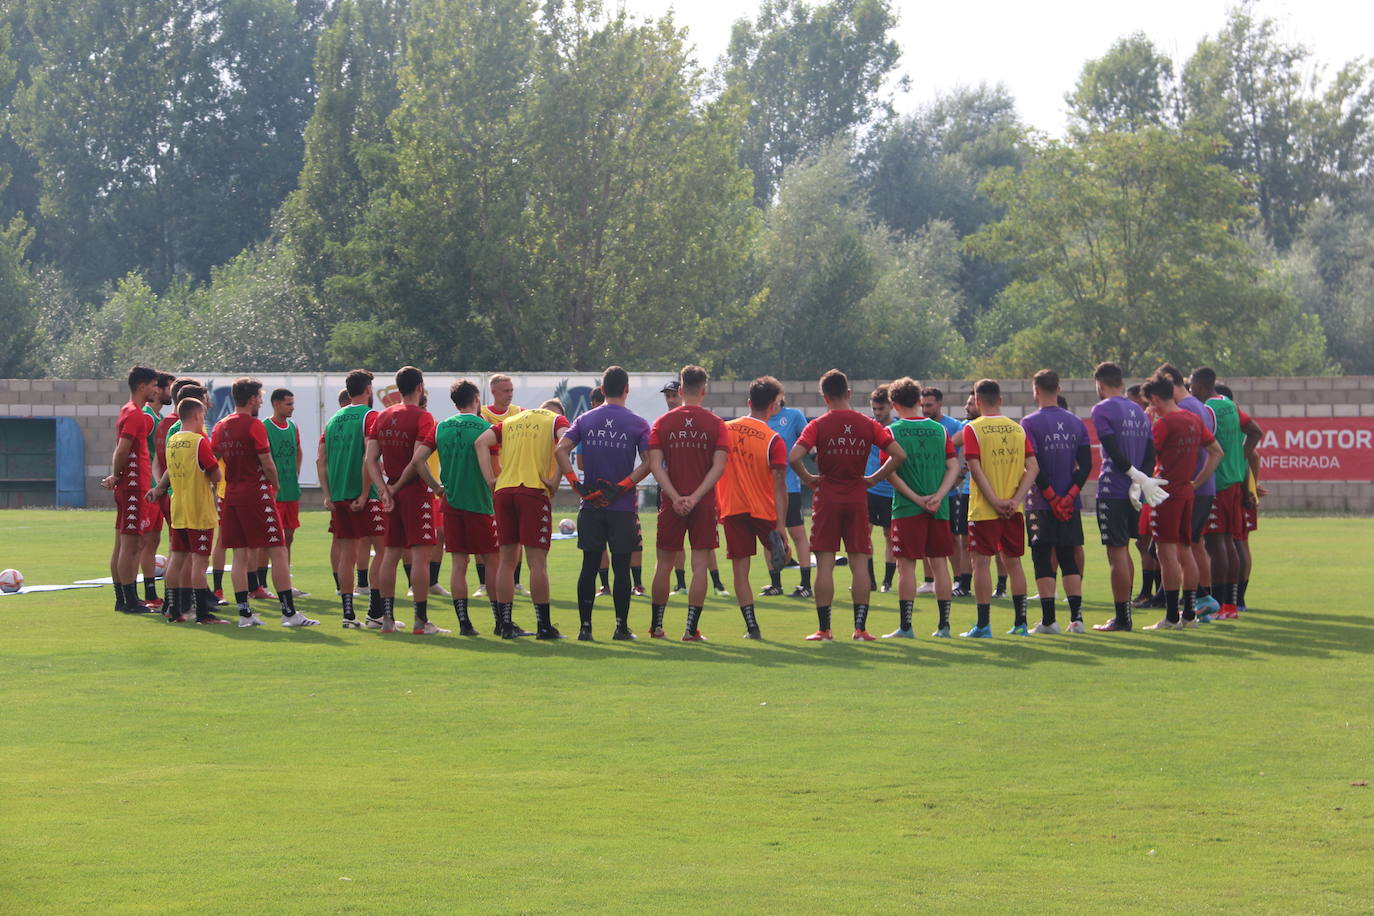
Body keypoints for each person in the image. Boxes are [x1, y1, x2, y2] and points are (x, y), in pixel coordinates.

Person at [789, 368, 905, 642]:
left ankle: (824, 629)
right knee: (859, 564)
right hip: (856, 496)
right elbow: (899, 454)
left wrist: (809, 479)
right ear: (849, 394)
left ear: (824, 397)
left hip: (827, 497)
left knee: (826, 564)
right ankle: (860, 629)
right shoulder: (868, 424)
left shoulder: (818, 425)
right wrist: (873, 479)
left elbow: (794, 455)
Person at [556, 366, 652, 640]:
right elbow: (648, 463)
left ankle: (585, 629)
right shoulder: (637, 422)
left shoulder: (586, 419)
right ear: (626, 389)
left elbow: (560, 449)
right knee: (621, 568)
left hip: (591, 506)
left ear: (602, 389)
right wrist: (622, 486)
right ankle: (621, 628)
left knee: (589, 565)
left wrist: (576, 485)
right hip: (622, 507)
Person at [211, 378, 313, 627]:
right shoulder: (254, 425)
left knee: (240, 555)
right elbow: (267, 462)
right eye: (259, 396)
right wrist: (275, 484)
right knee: (277, 549)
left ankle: (245, 614)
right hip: (256, 493)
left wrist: (217, 488)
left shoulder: (220, 425)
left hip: (232, 494)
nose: (261, 400)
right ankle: (289, 613)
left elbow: (213, 460)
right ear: (252, 399)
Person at [475, 398, 570, 639]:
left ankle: (505, 624)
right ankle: (544, 626)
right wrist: (557, 478)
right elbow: (566, 443)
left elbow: (480, 442)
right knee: (537, 563)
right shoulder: (555, 420)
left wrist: (489, 478)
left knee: (507, 562)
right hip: (533, 490)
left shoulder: (511, 421)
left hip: (504, 491)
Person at [410, 379, 498, 636]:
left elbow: (418, 460)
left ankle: (464, 623)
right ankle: (500, 620)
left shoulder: (441, 427)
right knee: (493, 562)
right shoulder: (486, 427)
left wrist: (436, 487)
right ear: (476, 398)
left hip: (451, 502)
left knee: (459, 563)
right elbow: (494, 468)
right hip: (480, 503)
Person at [647, 366, 729, 640]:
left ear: (680, 390)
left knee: (664, 564)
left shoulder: (663, 423)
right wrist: (694, 497)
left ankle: (657, 627)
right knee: (699, 564)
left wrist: (674, 496)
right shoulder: (715, 424)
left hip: (671, 503)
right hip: (703, 503)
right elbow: (718, 467)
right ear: (703, 390)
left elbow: (655, 466)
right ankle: (691, 629)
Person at [1139, 373, 1223, 631]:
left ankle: (1172, 616)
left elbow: (1149, 458)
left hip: (1165, 494)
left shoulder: (1163, 425)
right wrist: (1197, 482)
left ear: (1154, 398)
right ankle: (1188, 613)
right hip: (1188, 493)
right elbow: (1216, 452)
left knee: (1166, 554)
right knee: (1186, 550)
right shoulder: (1194, 419)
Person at [364, 366, 445, 634]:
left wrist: (384, 490)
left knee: (390, 555)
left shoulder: (383, 416)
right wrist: (434, 487)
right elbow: (417, 461)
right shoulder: (423, 417)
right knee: (420, 558)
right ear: (420, 386)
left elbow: (370, 459)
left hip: (391, 494)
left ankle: (387, 620)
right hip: (414, 492)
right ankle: (420, 621)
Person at [960, 379, 1037, 638]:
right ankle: (1021, 623)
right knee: (1014, 564)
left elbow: (975, 467)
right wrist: (1015, 499)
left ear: (978, 401)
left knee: (980, 564)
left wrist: (993, 500)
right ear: (1001, 401)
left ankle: (983, 625)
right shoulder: (1017, 429)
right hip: (1013, 510)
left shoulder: (974, 428)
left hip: (984, 510)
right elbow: (1033, 468)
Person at [884, 377, 959, 638]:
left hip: (907, 508)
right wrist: (938, 495)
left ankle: (906, 627)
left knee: (906, 566)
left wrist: (917, 499)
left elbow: (889, 473)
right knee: (940, 564)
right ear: (918, 401)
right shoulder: (940, 430)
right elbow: (954, 466)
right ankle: (944, 626)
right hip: (939, 508)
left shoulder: (892, 432)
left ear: (893, 404)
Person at [1020, 370, 1092, 634]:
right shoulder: (1076, 423)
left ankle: (1049, 621)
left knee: (1042, 558)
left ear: (1035, 390)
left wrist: (1050, 497)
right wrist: (1069, 497)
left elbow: (1033, 464)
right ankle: (1077, 619)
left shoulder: (1028, 423)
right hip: (1068, 506)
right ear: (1059, 389)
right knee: (1068, 558)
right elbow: (1086, 465)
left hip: (1041, 503)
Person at [1088, 362, 1158, 632]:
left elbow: (1112, 448)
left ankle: (1122, 617)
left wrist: (1131, 476)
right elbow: (1150, 453)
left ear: (1101, 384)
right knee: (1125, 550)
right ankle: (1124, 614)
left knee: (1116, 553)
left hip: (1114, 489)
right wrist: (1141, 481)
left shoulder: (1102, 409)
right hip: (1134, 493)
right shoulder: (1140, 412)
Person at [145, 397, 228, 624]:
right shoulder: (198, 441)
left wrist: (159, 489)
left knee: (177, 559)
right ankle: (203, 614)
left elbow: (169, 471)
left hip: (178, 508)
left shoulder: (174, 440)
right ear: (197, 416)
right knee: (200, 563)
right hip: (198, 510)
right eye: (204, 416)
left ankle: (172, 609)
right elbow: (216, 474)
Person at [718, 376, 789, 640]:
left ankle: (752, 626)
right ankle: (778, 553)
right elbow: (780, 484)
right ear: (773, 406)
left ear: (749, 402)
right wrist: (781, 526)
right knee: (781, 552)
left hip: (733, 508)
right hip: (764, 510)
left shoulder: (725, 429)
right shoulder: (774, 439)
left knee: (740, 572)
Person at [1191, 369, 1262, 621]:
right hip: (1235, 480)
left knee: (1215, 544)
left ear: (1199, 385)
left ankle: (1219, 603)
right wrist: (1239, 458)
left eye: (1191, 385)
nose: (1190, 390)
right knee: (1230, 542)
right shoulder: (1230, 405)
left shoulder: (1208, 409)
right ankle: (1230, 605)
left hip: (1217, 482)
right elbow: (1255, 431)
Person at [320, 369, 389, 628]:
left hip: (338, 496)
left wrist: (327, 495)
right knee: (384, 550)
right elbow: (368, 458)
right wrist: (364, 493)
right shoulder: (371, 416)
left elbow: (320, 459)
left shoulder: (334, 419)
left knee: (347, 554)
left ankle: (348, 615)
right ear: (368, 390)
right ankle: (375, 613)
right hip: (366, 496)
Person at [1158, 363, 1218, 617]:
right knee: (1194, 544)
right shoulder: (1197, 406)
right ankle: (1199, 599)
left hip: (1188, 487)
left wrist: (1195, 481)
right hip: (1198, 486)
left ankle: (1199, 599)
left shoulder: (1183, 410)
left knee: (1183, 547)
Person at [101, 366, 161, 615]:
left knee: (123, 544)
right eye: (153, 385)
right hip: (134, 487)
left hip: (133, 486)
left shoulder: (129, 411)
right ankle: (129, 600)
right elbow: (123, 449)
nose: (155, 390)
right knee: (132, 545)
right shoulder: (135, 414)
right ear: (141, 387)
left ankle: (122, 599)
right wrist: (117, 475)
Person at [1216, 383, 1263, 612]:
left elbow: (1253, 460)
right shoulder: (1235, 438)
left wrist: (1251, 489)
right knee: (1236, 543)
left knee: (1237, 543)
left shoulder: (1241, 444)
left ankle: (1237, 597)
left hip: (1241, 494)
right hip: (1241, 491)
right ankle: (1235, 598)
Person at [479, 374, 526, 597]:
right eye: (505, 390)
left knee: (518, 535)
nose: (510, 394)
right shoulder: (483, 414)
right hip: (491, 482)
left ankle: (515, 581)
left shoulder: (519, 413)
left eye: (511, 390)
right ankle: (482, 583)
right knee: (487, 534)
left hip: (514, 480)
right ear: (494, 392)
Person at [920, 386, 969, 596]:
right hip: (923, 493)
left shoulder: (954, 426)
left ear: (940, 404)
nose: (925, 409)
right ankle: (929, 580)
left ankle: (958, 579)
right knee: (924, 537)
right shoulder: (919, 425)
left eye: (929, 405)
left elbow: (965, 453)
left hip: (948, 494)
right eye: (922, 405)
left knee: (952, 538)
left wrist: (959, 476)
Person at [765, 390, 813, 598]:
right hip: (764, 490)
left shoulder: (794, 416)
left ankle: (805, 585)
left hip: (789, 487)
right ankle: (775, 584)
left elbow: (809, 445)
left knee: (797, 534)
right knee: (769, 535)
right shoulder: (760, 419)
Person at [136, 372, 176, 610]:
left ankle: (153, 594)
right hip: (150, 489)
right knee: (141, 542)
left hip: (158, 488)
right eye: (169, 388)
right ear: (159, 390)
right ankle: (142, 593)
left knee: (153, 539)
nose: (171, 393)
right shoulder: (147, 417)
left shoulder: (158, 418)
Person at [264, 388, 307, 598]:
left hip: (291, 490)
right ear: (276, 404)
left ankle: (286, 581)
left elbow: (298, 449)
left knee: (288, 536)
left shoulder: (292, 426)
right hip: (273, 493)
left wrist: (296, 471)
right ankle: (261, 584)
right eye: (288, 404)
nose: (292, 407)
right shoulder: (265, 426)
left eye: (293, 403)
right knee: (270, 539)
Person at [864, 385, 897, 594]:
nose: (877, 413)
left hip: (891, 490)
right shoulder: (868, 427)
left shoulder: (896, 429)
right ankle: (870, 580)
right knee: (864, 533)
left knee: (889, 535)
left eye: (881, 409)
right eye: (874, 409)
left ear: (891, 407)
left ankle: (887, 581)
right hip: (869, 489)